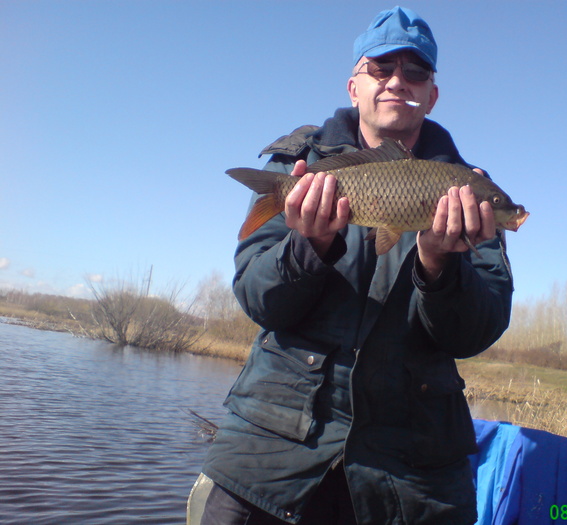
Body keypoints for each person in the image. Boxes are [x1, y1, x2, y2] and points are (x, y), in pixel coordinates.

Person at [189, 6, 514, 525]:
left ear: (432, 93)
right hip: (269, 458)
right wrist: (308, 247)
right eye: (381, 68)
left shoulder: (466, 190)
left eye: (415, 71)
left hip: (411, 480)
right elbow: (256, 298)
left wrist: (437, 264)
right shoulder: (301, 166)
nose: (396, 81)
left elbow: (476, 331)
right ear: (353, 86)